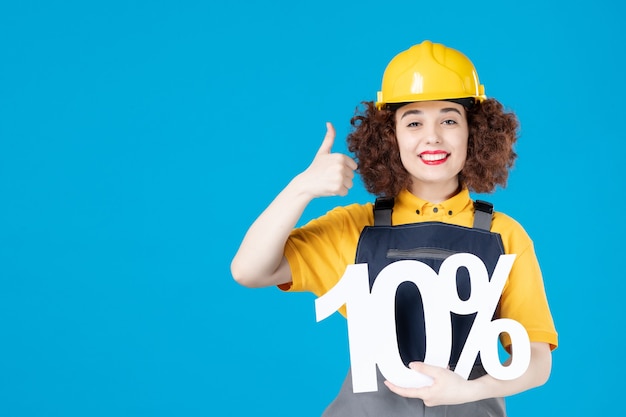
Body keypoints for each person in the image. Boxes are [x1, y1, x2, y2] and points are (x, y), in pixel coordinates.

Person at [231, 40, 558, 416]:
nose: (432, 136)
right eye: (414, 122)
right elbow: (249, 270)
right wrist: (301, 188)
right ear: (391, 137)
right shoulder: (355, 228)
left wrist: (465, 390)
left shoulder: (505, 235)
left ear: (475, 132)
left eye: (449, 119)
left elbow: (536, 361)